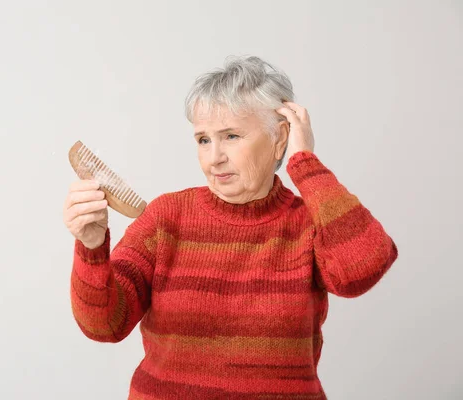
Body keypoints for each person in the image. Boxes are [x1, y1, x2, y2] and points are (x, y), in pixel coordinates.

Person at [63, 56, 398, 399]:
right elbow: (104, 324)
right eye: (203, 139)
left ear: (280, 138)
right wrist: (91, 248)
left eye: (232, 136)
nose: (214, 157)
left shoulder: (310, 223)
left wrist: (305, 164)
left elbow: (364, 266)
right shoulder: (166, 218)